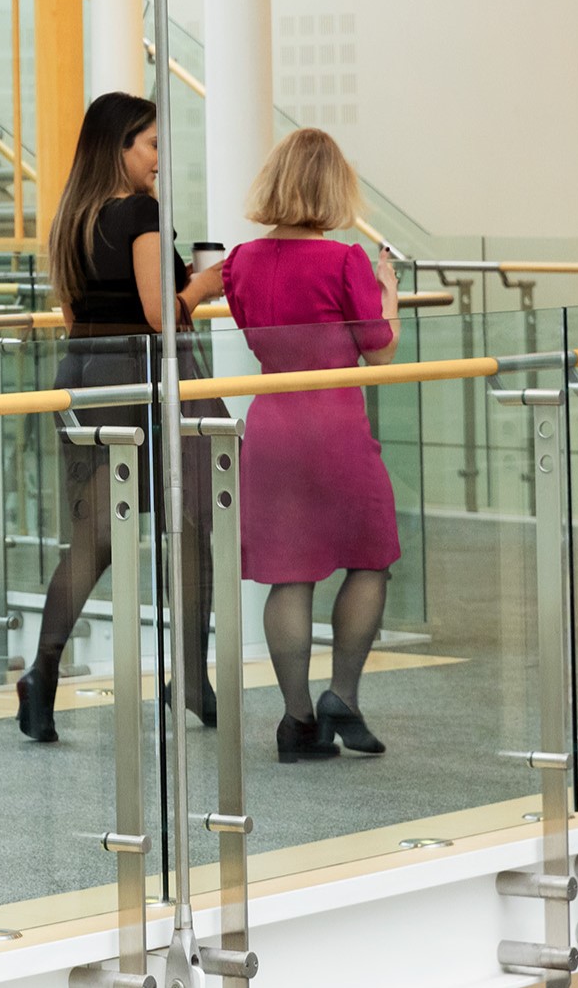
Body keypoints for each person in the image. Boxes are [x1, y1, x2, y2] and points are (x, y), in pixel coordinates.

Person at [16, 91, 227, 744]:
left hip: (84, 375)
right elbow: (161, 314)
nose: (160, 158)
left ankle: (46, 673)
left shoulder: (73, 216)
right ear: (121, 147)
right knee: (188, 521)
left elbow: (74, 315)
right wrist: (202, 284)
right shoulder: (139, 210)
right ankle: (184, 673)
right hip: (137, 383)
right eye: (152, 144)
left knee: (100, 538)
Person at [216, 128, 401, 763]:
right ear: (332, 188)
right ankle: (341, 698)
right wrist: (390, 295)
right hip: (337, 428)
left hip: (271, 427)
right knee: (369, 557)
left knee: (287, 576)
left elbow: (252, 329)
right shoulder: (345, 261)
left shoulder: (240, 261)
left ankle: (295, 721)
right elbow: (378, 346)